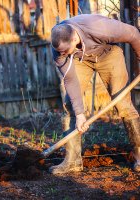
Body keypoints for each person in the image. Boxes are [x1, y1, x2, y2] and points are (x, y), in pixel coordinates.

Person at [50, 14, 140, 174]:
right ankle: (72, 161)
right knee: (71, 105)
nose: (61, 54)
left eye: (64, 51)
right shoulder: (60, 50)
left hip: (108, 54)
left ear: (74, 39)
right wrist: (80, 114)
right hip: (79, 60)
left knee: (123, 104)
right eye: (60, 52)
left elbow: (133, 33)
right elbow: (70, 81)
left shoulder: (99, 27)